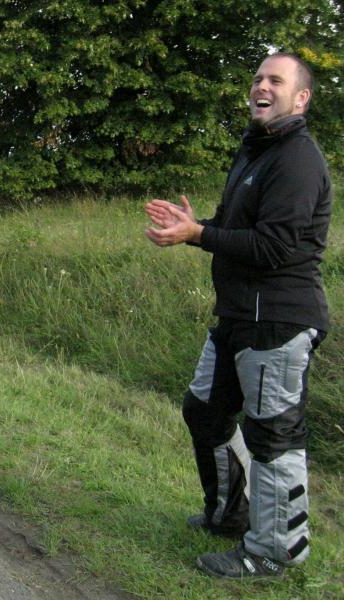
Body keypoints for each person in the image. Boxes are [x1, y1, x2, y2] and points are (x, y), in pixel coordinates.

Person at [144, 53, 331, 579]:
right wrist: (193, 227)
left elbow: (273, 247)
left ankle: (273, 551)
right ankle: (230, 514)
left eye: (276, 80)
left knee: (272, 437)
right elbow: (230, 230)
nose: (261, 87)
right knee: (204, 411)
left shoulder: (298, 159)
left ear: (301, 98)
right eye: (257, 79)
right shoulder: (255, 151)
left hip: (278, 321)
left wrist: (199, 234)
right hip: (236, 317)